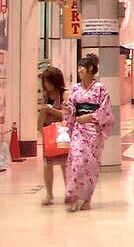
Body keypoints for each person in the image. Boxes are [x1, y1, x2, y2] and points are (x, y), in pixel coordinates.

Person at [65, 53, 114, 212]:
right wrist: (69, 116)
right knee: (76, 161)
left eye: (82, 67)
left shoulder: (100, 89)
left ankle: (86, 199)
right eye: (79, 67)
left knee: (90, 165)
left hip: (94, 131)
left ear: (90, 68)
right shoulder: (75, 89)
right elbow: (70, 109)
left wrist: (90, 117)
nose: (79, 70)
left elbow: (106, 110)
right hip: (78, 129)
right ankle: (72, 196)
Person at [38, 66, 68, 206]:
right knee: (47, 164)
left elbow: (66, 115)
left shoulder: (65, 94)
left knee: (65, 164)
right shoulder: (45, 96)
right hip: (48, 133)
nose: (46, 84)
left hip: (62, 132)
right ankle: (49, 194)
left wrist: (51, 110)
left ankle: (69, 192)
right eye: (45, 81)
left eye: (48, 81)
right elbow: (41, 116)